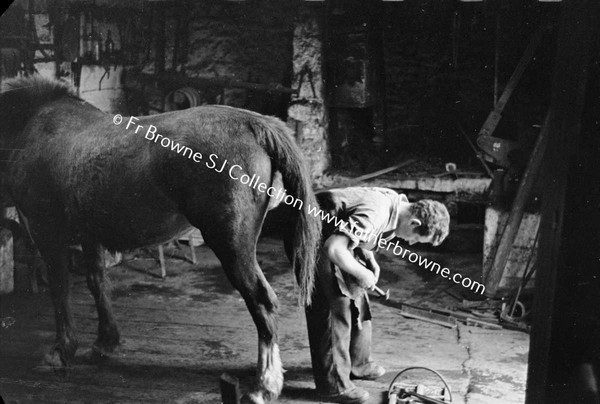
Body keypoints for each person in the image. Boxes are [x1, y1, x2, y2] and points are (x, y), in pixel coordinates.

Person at [306, 187, 450, 403]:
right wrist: (362, 272)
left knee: (357, 293)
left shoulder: (398, 205)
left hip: (334, 234)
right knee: (335, 304)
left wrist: (368, 259)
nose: (410, 243)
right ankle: (333, 385)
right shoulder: (378, 211)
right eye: (416, 239)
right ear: (414, 223)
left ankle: (358, 363)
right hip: (313, 236)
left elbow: (358, 228)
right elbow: (334, 248)